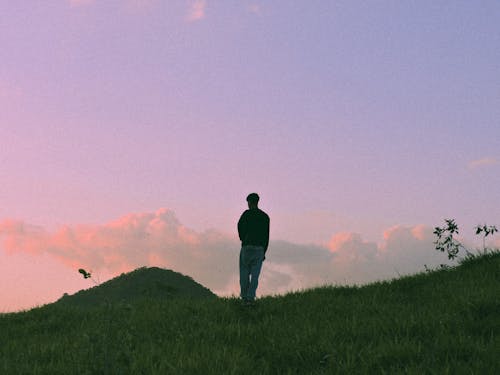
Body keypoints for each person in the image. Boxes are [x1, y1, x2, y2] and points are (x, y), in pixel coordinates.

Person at [237, 193, 270, 304]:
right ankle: (250, 298)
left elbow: (239, 226)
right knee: (255, 275)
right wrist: (264, 251)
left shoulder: (246, 214)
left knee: (244, 273)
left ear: (249, 202)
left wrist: (243, 239)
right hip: (259, 248)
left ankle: (244, 297)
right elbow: (266, 236)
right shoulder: (265, 217)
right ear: (257, 201)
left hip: (247, 246)